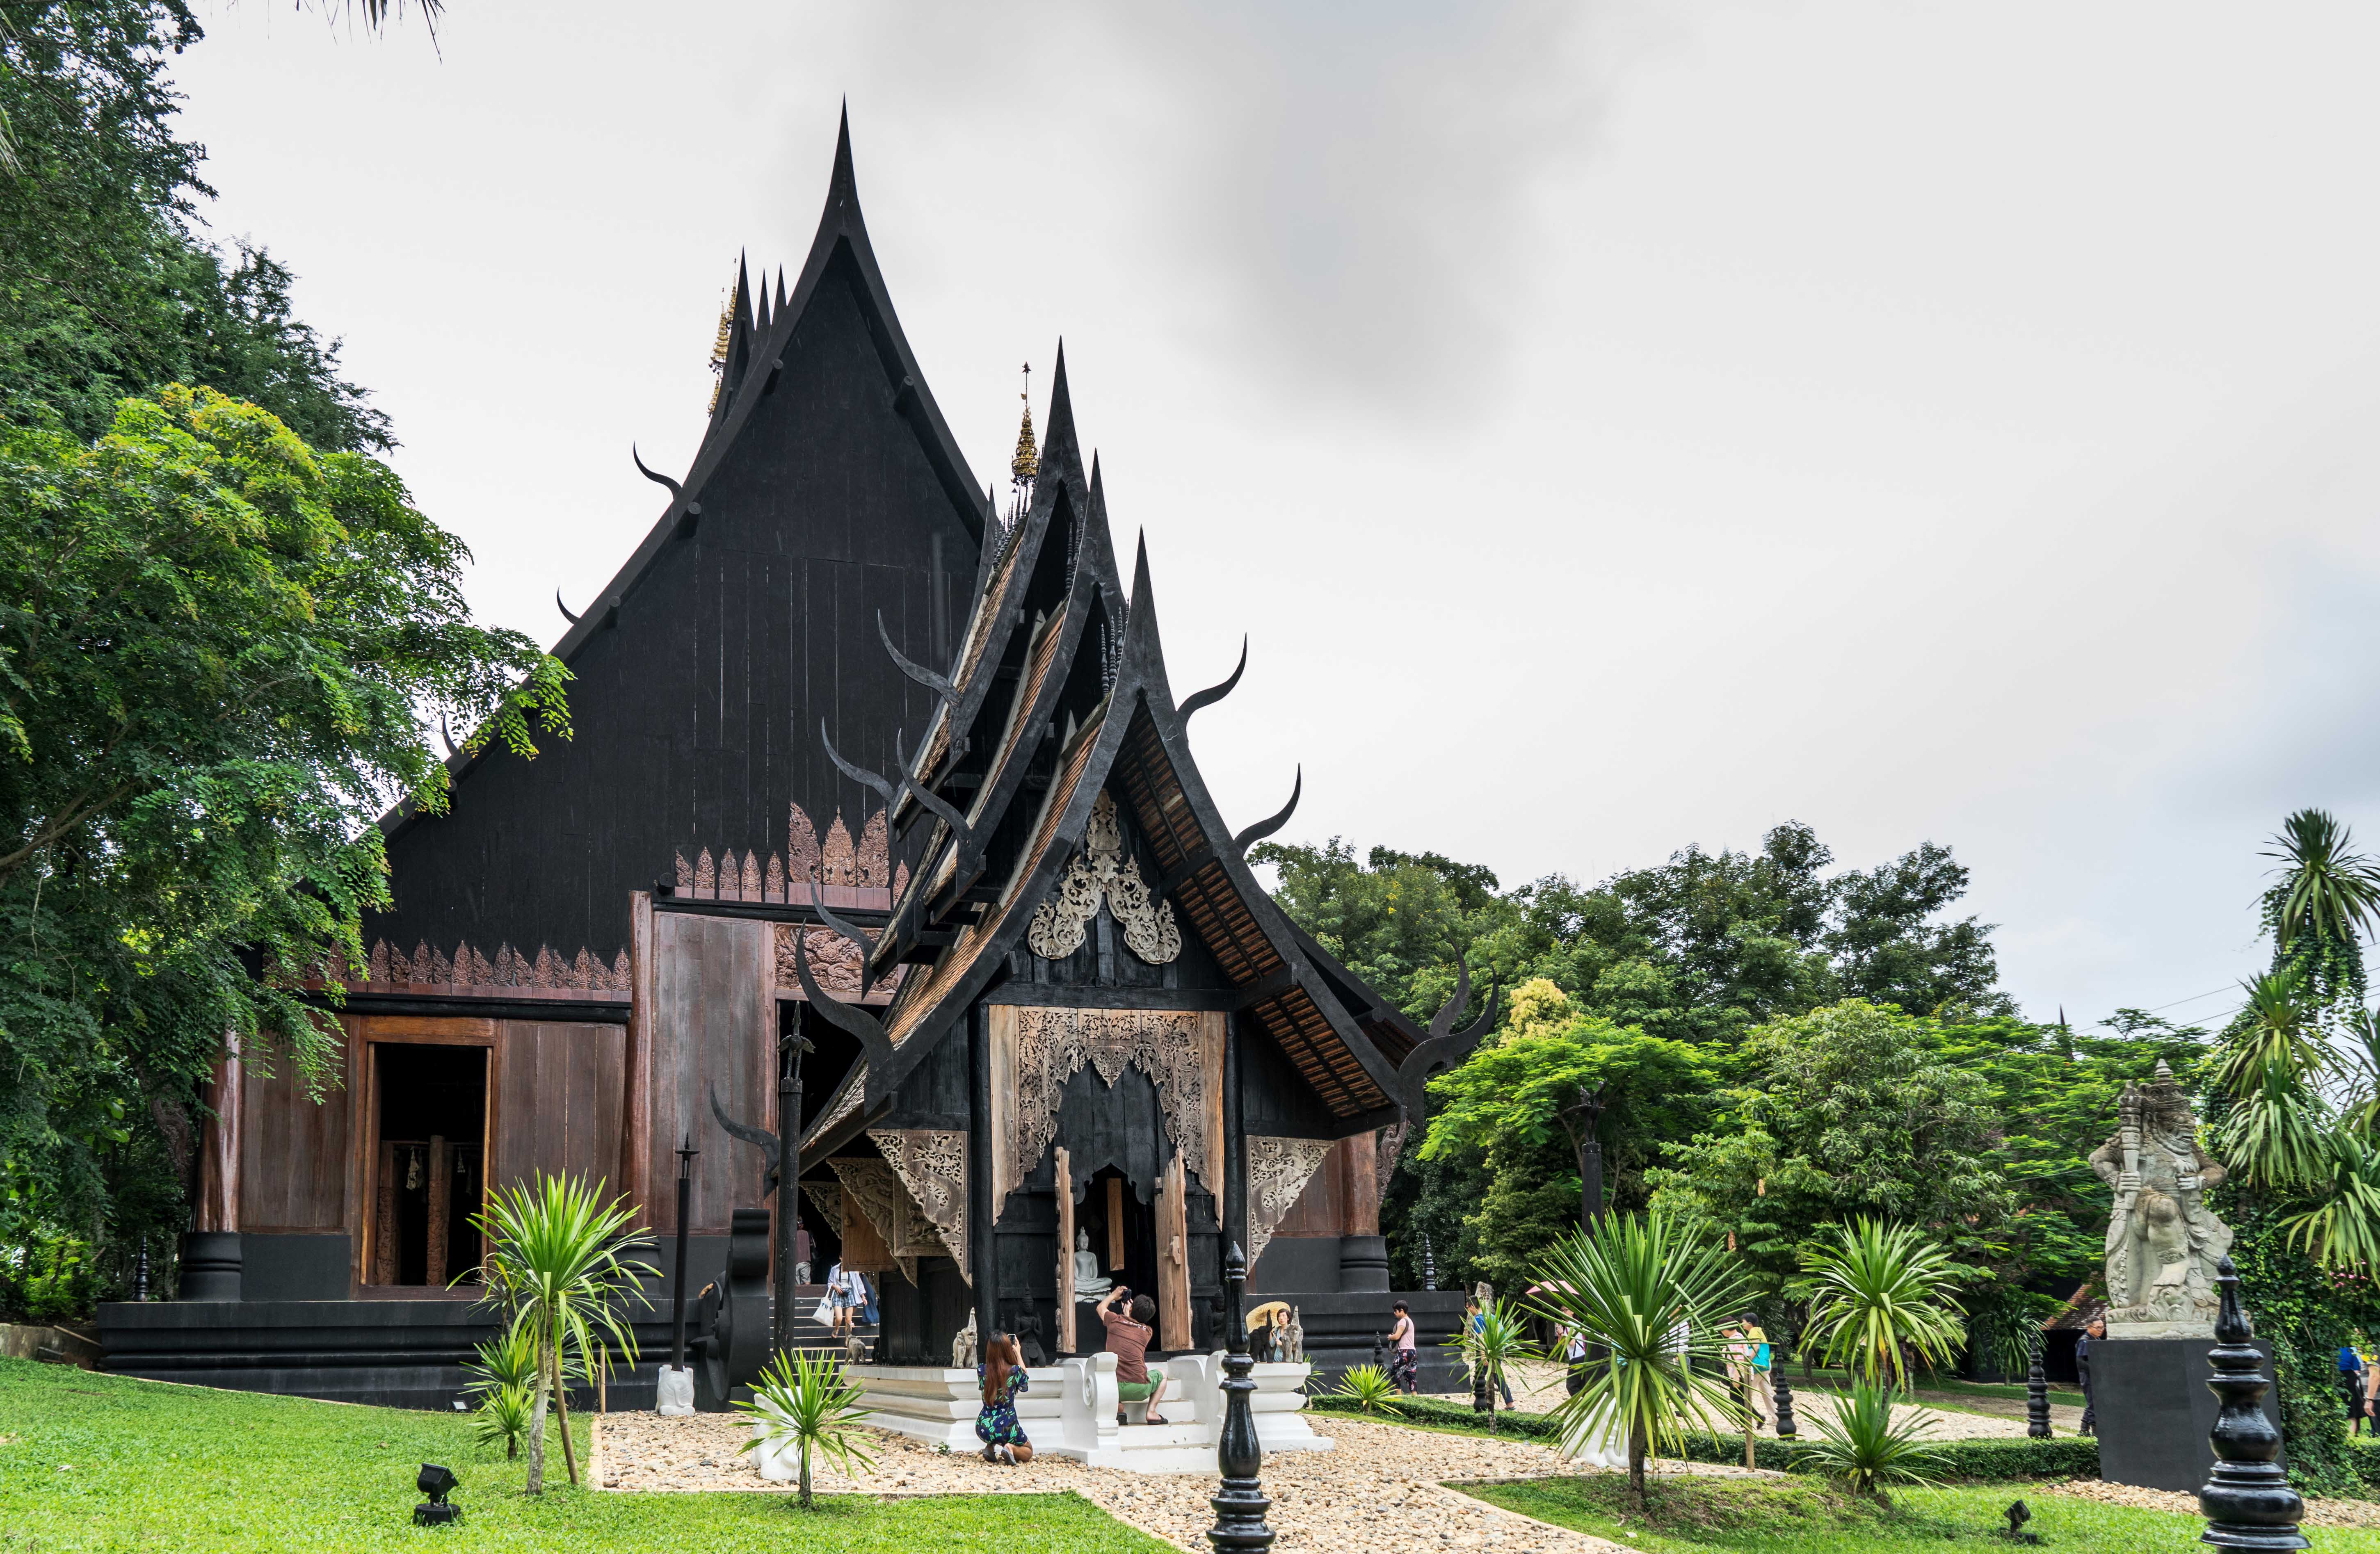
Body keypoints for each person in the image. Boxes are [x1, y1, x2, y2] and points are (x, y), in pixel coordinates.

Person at [1096, 1285, 1168, 1425]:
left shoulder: (1115, 1321)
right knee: (1163, 1374)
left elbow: (1100, 1308)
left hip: (1114, 1387)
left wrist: (1114, 1295)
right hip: (1140, 1389)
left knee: (1104, 1376)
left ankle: (1118, 1407)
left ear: (1131, 1309)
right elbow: (1133, 1326)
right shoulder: (1148, 1332)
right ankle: (1152, 1412)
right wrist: (1129, 1313)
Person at [975, 1333, 1034, 1465]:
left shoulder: (982, 1370)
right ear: (1008, 1349)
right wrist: (1018, 1353)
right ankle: (1010, 1448)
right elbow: (1024, 1382)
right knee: (1028, 1450)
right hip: (1007, 1426)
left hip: (984, 1427)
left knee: (995, 1429)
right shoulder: (1014, 1371)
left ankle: (990, 1447)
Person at [1468, 1297, 1514, 1409]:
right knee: (1497, 1377)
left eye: (1468, 1307)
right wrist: (1502, 1351)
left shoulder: (1478, 1319)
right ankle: (1510, 1403)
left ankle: (1482, 1403)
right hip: (1496, 1351)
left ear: (1473, 1307)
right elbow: (1502, 1333)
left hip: (1487, 1353)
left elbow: (1481, 1338)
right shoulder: (1491, 1316)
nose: (1468, 1310)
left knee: (1479, 1376)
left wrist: (1483, 1355)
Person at [2077, 1317, 2103, 1436]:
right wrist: (2095, 1369)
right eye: (2098, 1327)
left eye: (2102, 1327)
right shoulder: (2085, 1341)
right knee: (2093, 1402)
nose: (2101, 1330)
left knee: (2094, 1402)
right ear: (2089, 1328)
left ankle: (2084, 1429)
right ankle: (2095, 1432)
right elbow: (2080, 1361)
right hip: (2088, 1377)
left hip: (2096, 1376)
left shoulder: (2096, 1339)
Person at [1387, 1300, 1418, 1395]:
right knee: (1411, 1376)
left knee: (1394, 1373)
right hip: (1413, 1352)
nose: (1395, 1313)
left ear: (1401, 1311)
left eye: (1396, 1311)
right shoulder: (1410, 1321)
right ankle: (1415, 1398)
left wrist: (1390, 1337)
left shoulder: (1403, 1322)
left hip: (1404, 1352)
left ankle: (1399, 1398)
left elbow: (1397, 1336)